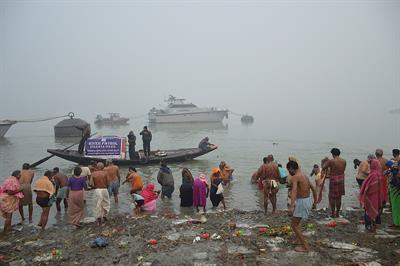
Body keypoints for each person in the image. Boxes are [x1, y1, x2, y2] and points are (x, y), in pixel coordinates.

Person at [287, 160, 317, 253]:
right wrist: (315, 202)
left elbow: (294, 191)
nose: (289, 172)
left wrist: (291, 207)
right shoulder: (304, 176)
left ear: (292, 168)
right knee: (297, 222)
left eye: (289, 170)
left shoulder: (295, 177)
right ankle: (298, 240)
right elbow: (313, 188)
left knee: (294, 225)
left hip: (302, 202)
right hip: (307, 200)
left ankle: (305, 247)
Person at [359, 159, 385, 232]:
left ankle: (369, 226)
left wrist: (364, 193)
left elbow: (368, 186)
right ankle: (374, 226)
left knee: (369, 210)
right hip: (378, 196)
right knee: (376, 210)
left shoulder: (373, 175)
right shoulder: (378, 174)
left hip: (371, 196)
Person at [322, 148, 347, 218]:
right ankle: (337, 213)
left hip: (333, 178)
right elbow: (343, 169)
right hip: (341, 178)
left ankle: (333, 213)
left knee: (332, 197)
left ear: (333, 154)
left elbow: (323, 167)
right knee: (339, 197)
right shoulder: (344, 161)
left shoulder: (331, 161)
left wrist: (324, 162)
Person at [386, 149, 400, 227]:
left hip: (396, 186)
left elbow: (393, 172)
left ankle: (396, 223)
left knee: (396, 205)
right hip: (396, 185)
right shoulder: (395, 162)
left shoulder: (393, 161)